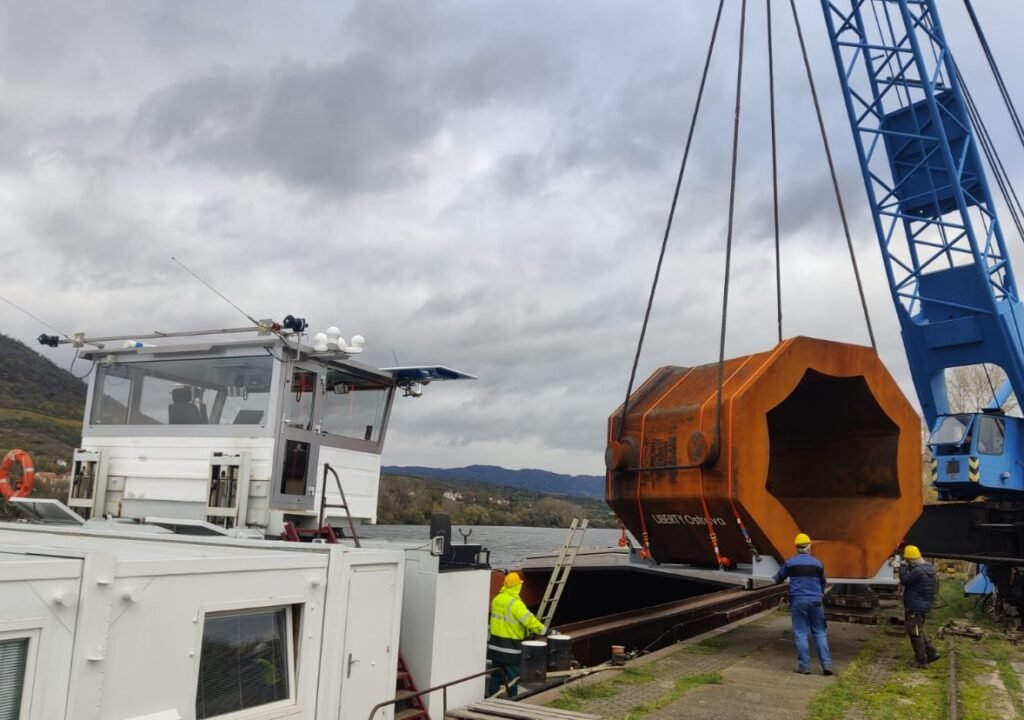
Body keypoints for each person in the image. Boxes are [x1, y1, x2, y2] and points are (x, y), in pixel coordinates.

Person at [773, 532, 833, 676]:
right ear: (809, 546)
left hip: (798, 601)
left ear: (796, 547)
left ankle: (804, 667)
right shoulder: (818, 563)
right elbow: (823, 583)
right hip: (816, 601)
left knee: (800, 633)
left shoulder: (790, 562)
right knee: (819, 632)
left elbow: (778, 579)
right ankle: (826, 665)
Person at [486, 571, 547, 696]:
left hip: (495, 647)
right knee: (514, 677)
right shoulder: (516, 604)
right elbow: (531, 622)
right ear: (517, 586)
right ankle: (513, 700)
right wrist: (547, 631)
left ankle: (491, 698)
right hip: (511, 649)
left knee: (496, 675)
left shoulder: (496, 599)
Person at [899, 545, 940, 668]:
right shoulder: (928, 568)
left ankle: (921, 661)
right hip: (922, 605)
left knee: (914, 633)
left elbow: (905, 580)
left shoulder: (917, 571)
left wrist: (902, 567)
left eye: (907, 560)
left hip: (915, 606)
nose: (906, 561)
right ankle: (931, 653)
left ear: (910, 560)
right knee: (918, 630)